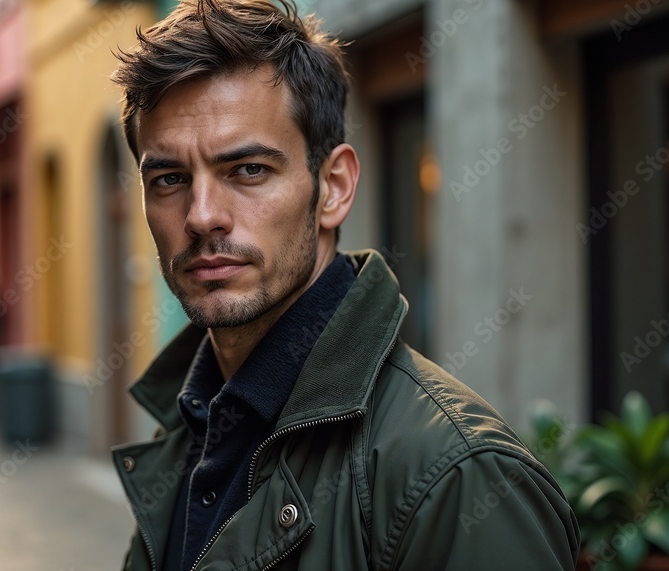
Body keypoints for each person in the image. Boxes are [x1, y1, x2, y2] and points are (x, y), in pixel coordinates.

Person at [109, 1, 580, 569]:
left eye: (248, 170)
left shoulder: (458, 476)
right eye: (169, 179)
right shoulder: (187, 425)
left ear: (333, 187)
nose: (202, 215)